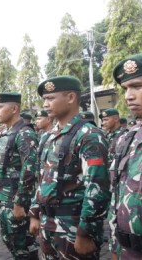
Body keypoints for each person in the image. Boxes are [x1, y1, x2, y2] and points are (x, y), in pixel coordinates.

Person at [29, 76, 110, 259]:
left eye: (51, 98)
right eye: (44, 99)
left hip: (73, 224)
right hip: (47, 222)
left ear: (71, 97)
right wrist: (34, 212)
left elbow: (97, 188)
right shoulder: (47, 137)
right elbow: (41, 178)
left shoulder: (89, 135)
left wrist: (85, 232)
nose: (46, 104)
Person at [109, 51, 142, 258]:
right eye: (126, 88)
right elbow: (116, 198)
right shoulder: (126, 139)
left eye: (137, 86)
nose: (128, 96)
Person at [0, 93, 39, 259]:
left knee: (21, 242)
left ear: (14, 108)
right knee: (10, 239)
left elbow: (30, 170)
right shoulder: (6, 132)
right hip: (3, 195)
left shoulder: (24, 133)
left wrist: (20, 202)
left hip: (15, 198)